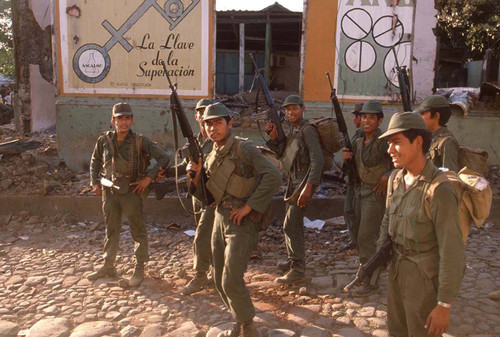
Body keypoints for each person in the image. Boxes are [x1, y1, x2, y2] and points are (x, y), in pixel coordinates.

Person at [187, 102, 281, 337]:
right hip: (220, 217)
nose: (213, 128)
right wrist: (196, 177)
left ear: (229, 124)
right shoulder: (211, 154)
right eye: (208, 124)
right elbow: (207, 198)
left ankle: (249, 327)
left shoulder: (244, 149)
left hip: (241, 222)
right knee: (218, 278)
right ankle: (239, 321)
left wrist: (249, 207)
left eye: (218, 123)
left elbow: (273, 175)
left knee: (230, 278)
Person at [376, 112, 465, 337]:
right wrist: (380, 253)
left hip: (423, 278)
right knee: (397, 331)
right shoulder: (396, 179)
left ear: (418, 142)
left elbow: (451, 250)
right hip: (397, 270)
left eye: (396, 142)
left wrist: (444, 305)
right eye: (389, 143)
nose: (390, 150)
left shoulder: (439, 190)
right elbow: (388, 218)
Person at [88, 102, 170, 286]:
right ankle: (108, 265)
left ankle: (139, 268)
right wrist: (94, 182)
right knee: (111, 229)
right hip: (109, 192)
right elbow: (95, 160)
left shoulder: (141, 141)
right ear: (112, 120)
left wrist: (148, 178)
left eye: (127, 118)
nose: (123, 122)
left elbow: (164, 158)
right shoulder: (104, 140)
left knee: (138, 231)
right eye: (119, 119)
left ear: (132, 120)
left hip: (132, 191)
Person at [266, 94, 324, 284]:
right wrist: (274, 137)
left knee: (290, 224)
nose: (290, 112)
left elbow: (318, 160)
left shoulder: (308, 130)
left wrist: (309, 187)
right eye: (287, 109)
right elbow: (285, 154)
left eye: (294, 108)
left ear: (303, 108)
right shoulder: (295, 129)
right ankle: (294, 259)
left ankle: (298, 269)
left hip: (304, 181)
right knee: (293, 223)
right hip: (294, 180)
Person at [166, 98, 215, 295]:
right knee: (206, 235)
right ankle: (214, 272)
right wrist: (168, 172)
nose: (203, 116)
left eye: (207, 112)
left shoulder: (217, 140)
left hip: (213, 196)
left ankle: (200, 276)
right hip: (197, 196)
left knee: (202, 236)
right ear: (196, 117)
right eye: (200, 112)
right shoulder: (194, 141)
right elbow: (186, 166)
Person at [343, 100, 392, 297]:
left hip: (376, 194)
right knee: (357, 233)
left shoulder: (384, 141)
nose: (366, 121)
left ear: (379, 120)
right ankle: (366, 270)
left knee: (367, 236)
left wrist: (387, 176)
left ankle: (371, 281)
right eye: (364, 117)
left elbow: (398, 163)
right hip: (360, 192)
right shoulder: (358, 140)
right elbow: (352, 170)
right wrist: (347, 159)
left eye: (371, 117)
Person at [414, 95, 459, 172]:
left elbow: (450, 177)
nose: (420, 117)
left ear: (436, 116)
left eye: (423, 113)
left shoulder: (447, 143)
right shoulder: (427, 137)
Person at [344, 101, 365, 249]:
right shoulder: (359, 133)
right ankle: (355, 239)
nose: (354, 119)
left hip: (359, 179)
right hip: (354, 177)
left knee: (353, 211)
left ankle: (358, 240)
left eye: (355, 116)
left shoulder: (363, 135)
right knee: (350, 210)